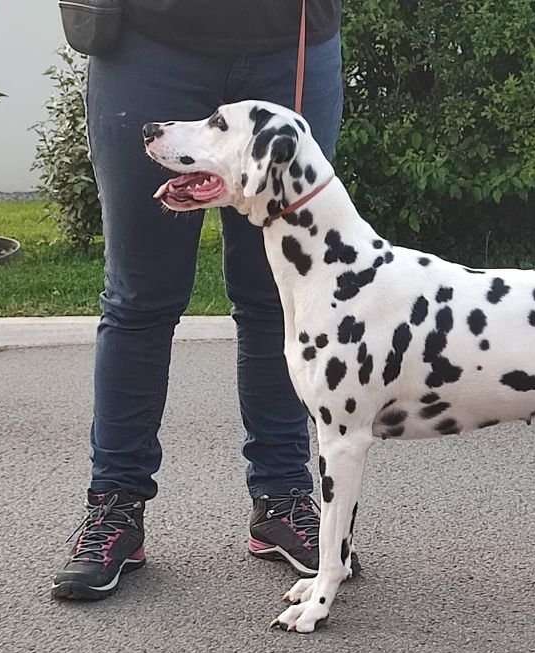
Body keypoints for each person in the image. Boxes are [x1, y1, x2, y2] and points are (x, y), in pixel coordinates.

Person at [51, 0, 352, 600]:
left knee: (277, 299)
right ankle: (116, 508)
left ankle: (284, 498)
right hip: (149, 45)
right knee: (139, 299)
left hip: (290, 39)